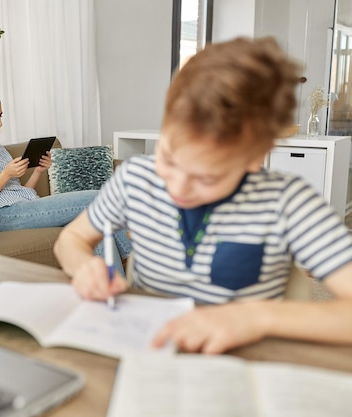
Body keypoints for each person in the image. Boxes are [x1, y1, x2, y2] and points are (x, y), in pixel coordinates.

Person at [53, 36, 352, 354]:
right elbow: (70, 240)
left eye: (206, 177)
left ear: (254, 158)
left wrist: (260, 317)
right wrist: (84, 266)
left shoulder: (288, 202)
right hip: (145, 351)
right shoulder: (135, 179)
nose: (178, 187)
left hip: (239, 364)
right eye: (168, 158)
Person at [0, 90, 131, 264]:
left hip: (25, 206)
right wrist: (5, 174)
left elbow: (20, 191)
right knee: (99, 197)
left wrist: (39, 171)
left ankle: (113, 291)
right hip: (0, 214)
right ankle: (136, 261)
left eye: (0, 116)